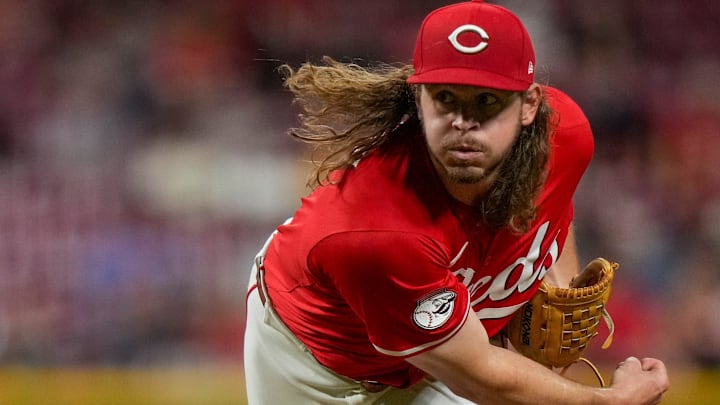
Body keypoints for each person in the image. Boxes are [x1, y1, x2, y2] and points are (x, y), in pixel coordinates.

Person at [243, 0, 669, 404]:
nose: (464, 123)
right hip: (315, 363)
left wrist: (554, 298)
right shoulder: (377, 232)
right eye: (446, 98)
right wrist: (611, 400)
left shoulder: (565, 138)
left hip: (437, 341)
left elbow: (552, 213)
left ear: (530, 105)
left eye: (487, 101)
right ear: (419, 100)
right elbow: (479, 376)